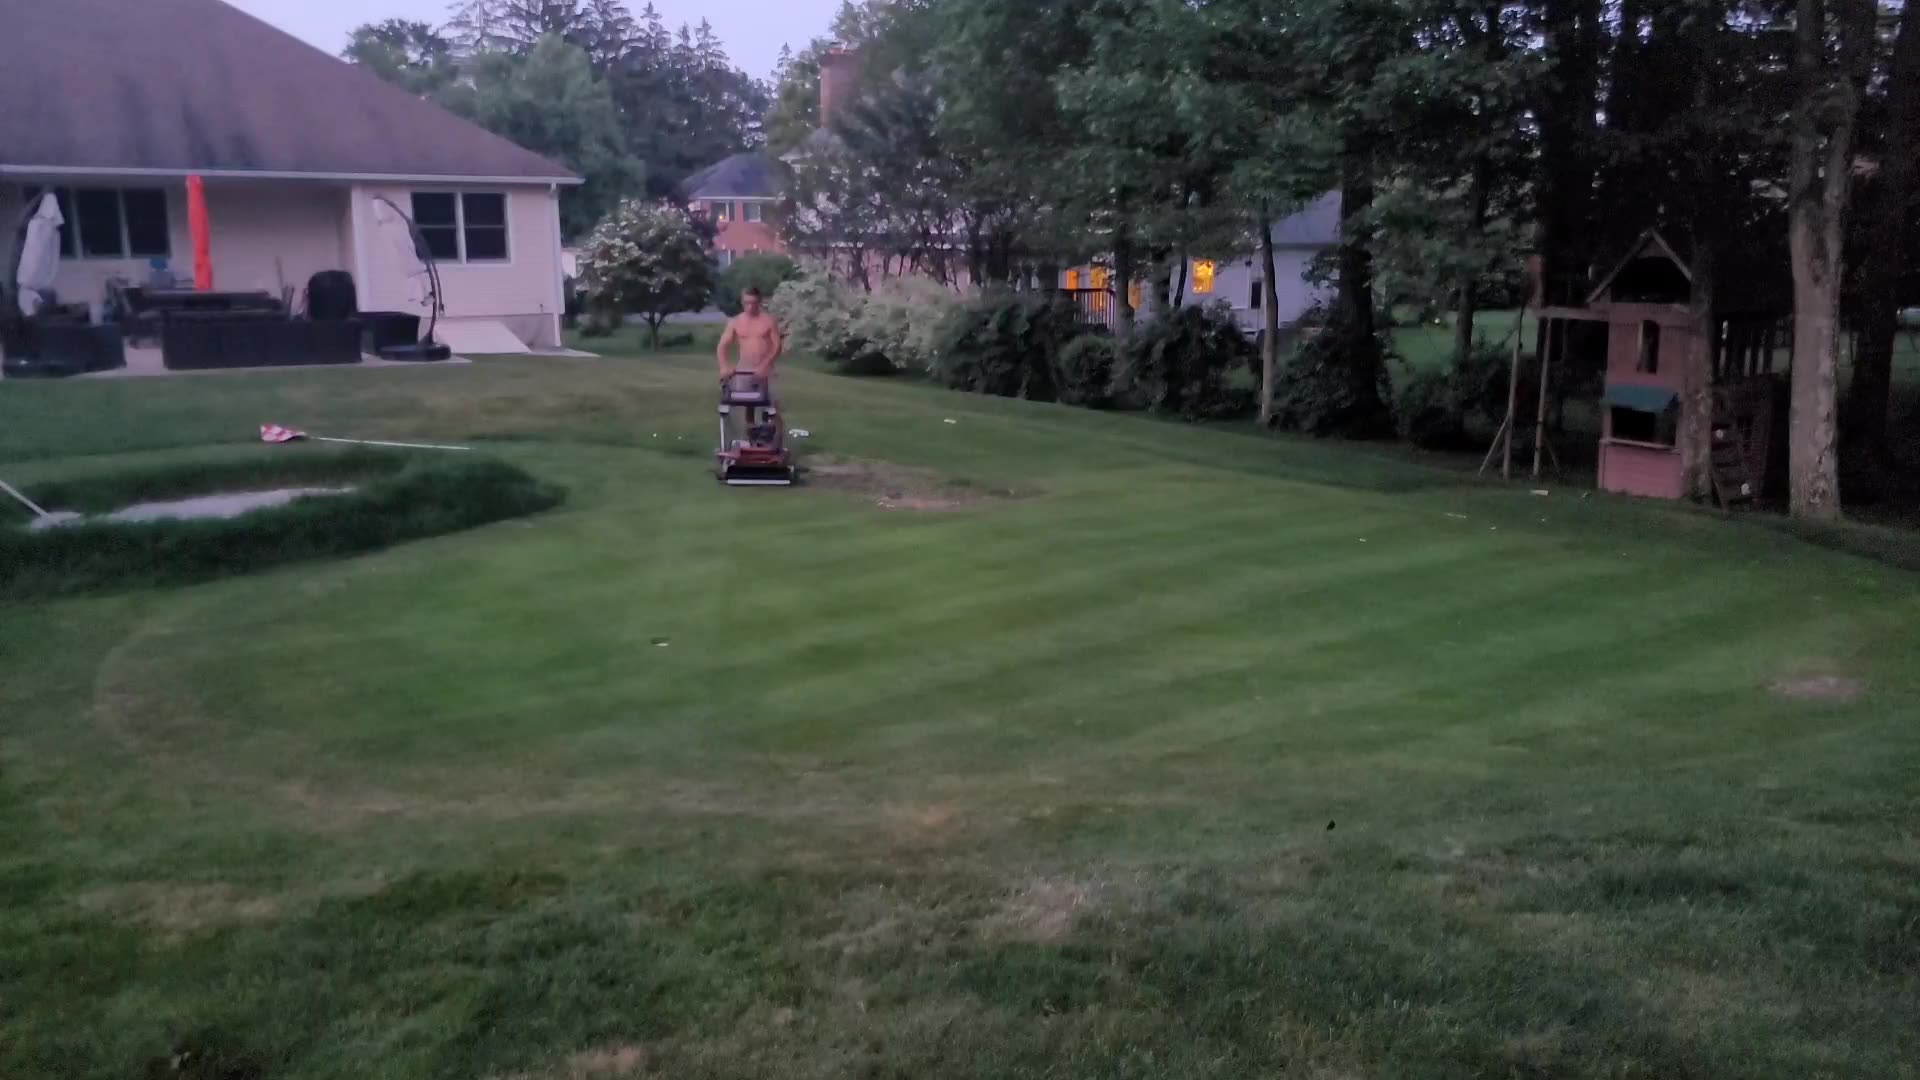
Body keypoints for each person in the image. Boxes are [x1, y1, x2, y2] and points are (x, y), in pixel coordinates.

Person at [716, 287, 783, 384]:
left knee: (769, 398)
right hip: (744, 369)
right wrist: (724, 367)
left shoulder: (769, 321)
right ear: (742, 302)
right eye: (747, 303)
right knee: (741, 398)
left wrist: (765, 364)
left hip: (767, 369)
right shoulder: (735, 322)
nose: (750, 307)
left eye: (754, 303)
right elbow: (722, 346)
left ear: (759, 302)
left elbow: (777, 346)